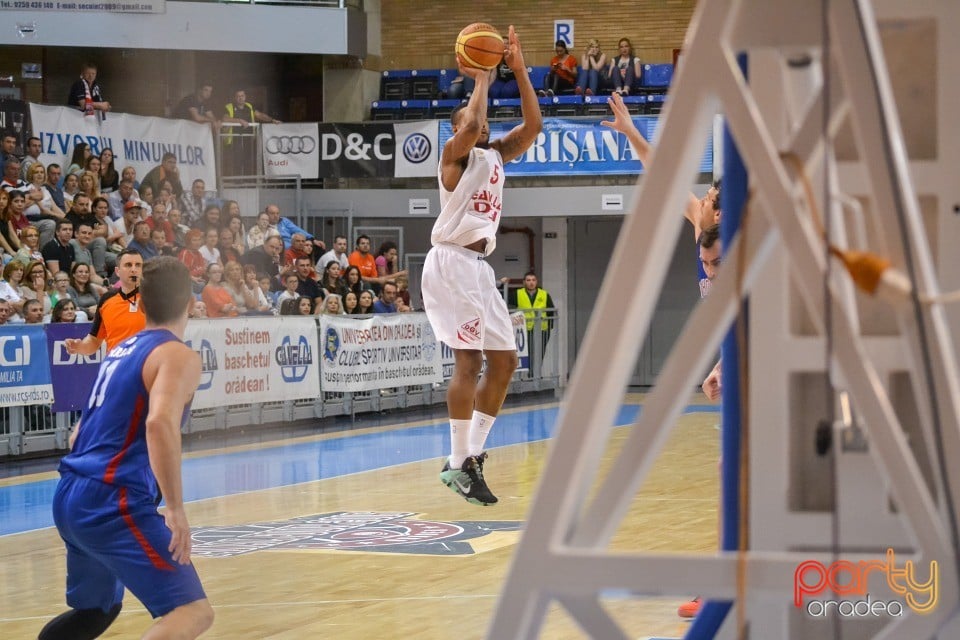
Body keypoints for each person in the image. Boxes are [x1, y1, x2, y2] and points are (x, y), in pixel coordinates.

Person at [42, 257, 213, 640]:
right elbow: (159, 423)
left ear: (144, 302)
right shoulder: (177, 354)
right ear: (190, 303)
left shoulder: (120, 351)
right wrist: (174, 507)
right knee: (192, 611)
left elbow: (77, 434)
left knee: (97, 610)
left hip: (70, 494)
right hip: (111, 500)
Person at [422, 25, 541, 506]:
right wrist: (483, 78)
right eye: (471, 120)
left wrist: (518, 69)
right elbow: (472, 125)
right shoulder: (454, 155)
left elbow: (532, 127)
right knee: (468, 361)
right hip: (450, 262)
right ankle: (457, 461)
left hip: (478, 269)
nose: (481, 124)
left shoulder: (495, 157)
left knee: (507, 361)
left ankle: (468, 458)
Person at [65, 249, 145, 356]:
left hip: (145, 367)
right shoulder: (107, 299)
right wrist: (79, 347)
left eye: (138, 265)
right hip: (116, 367)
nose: (134, 269)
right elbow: (94, 341)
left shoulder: (153, 299)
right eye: (128, 265)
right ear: (117, 271)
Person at [222, 89, 281, 176]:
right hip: (234, 139)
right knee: (236, 160)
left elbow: (259, 115)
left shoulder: (249, 106)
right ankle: (237, 182)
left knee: (248, 160)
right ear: (235, 98)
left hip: (248, 139)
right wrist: (239, 120)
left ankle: (248, 180)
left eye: (242, 96)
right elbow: (225, 119)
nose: (240, 98)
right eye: (238, 96)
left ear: (245, 97)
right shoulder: (229, 107)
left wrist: (272, 120)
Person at [507, 271, 555, 362]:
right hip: (524, 329)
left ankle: (535, 374)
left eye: (533, 280)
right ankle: (530, 375)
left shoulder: (544, 294)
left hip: (542, 329)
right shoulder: (517, 294)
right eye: (528, 280)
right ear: (524, 282)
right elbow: (509, 307)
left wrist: (549, 327)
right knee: (527, 354)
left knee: (540, 353)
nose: (531, 282)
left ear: (536, 282)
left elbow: (551, 310)